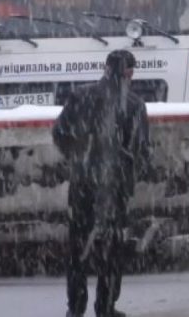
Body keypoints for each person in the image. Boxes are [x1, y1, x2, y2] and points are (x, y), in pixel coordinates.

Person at [53, 50, 151, 317]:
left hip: (82, 184)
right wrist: (131, 171)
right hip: (113, 188)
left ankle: (76, 307)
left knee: (78, 248)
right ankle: (105, 307)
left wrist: (77, 158)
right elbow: (142, 149)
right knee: (111, 249)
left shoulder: (80, 96)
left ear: (105, 69)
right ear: (129, 73)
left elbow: (59, 133)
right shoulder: (133, 105)